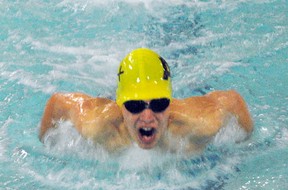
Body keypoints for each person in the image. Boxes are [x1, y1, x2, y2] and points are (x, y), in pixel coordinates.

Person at [39, 48, 253, 154]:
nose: (148, 117)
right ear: (120, 104)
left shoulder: (199, 123)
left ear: (170, 102)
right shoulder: (97, 125)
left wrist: (245, 144)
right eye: (135, 106)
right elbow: (59, 102)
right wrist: (45, 145)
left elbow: (232, 101)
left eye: (159, 104)